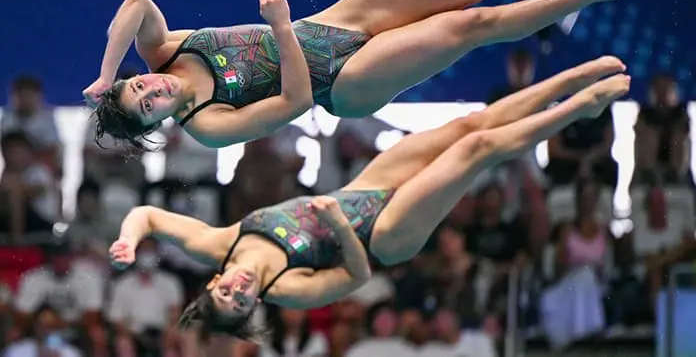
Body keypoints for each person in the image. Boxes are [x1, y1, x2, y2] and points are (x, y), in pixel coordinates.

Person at [109, 57, 630, 341]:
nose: (239, 290)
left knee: (468, 126)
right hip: (382, 235)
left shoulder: (220, 244)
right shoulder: (286, 288)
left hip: (360, 191)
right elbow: (357, 277)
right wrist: (339, 225)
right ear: (254, 303)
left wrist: (128, 241)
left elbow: (148, 215)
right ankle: (580, 106)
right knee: (476, 151)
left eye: (227, 292)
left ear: (216, 281)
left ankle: (572, 77)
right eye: (241, 302)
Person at [84, 0, 650, 149]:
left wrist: (107, 76)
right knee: (469, 26)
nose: (154, 90)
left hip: (332, 22)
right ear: (159, 123)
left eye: (139, 87)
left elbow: (136, 4)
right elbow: (295, 103)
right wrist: (279, 27)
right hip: (341, 84)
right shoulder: (206, 125)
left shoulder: (163, 51)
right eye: (148, 105)